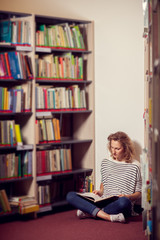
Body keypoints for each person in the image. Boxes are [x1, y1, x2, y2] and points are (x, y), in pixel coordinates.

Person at [66, 131, 142, 223]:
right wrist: (100, 191)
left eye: (117, 149)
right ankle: (107, 217)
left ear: (126, 148)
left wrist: (128, 196)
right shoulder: (105, 162)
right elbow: (104, 183)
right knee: (70, 196)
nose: (113, 151)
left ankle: (91, 212)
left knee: (124, 202)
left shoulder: (135, 166)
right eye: (112, 147)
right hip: (104, 201)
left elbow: (138, 193)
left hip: (120, 203)